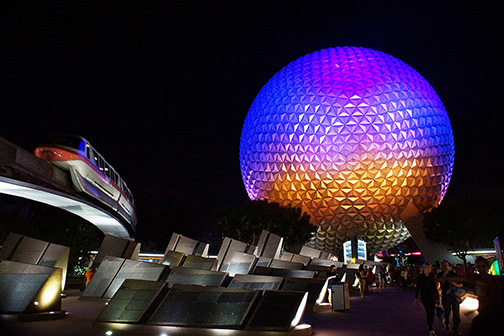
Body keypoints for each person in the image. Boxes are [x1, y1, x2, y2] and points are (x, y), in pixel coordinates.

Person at [467, 256, 502, 336]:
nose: (480, 269)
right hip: (483, 311)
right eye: (478, 266)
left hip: (491, 312)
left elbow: (494, 296)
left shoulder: (492, 281)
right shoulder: (477, 278)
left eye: (483, 266)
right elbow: (462, 279)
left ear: (487, 267)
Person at [415, 263, 439, 336]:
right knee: (429, 311)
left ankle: (430, 325)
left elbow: (435, 288)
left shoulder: (432, 276)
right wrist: (416, 298)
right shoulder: (421, 277)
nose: (429, 269)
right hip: (425, 296)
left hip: (432, 296)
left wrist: (437, 297)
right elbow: (418, 288)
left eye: (430, 268)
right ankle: (430, 328)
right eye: (428, 268)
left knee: (432, 312)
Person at [438, 261, 461, 335]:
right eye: (444, 265)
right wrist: (444, 274)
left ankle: (456, 328)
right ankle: (447, 325)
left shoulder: (452, 274)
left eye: (447, 265)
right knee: (447, 311)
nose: (445, 267)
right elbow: (442, 282)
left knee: (456, 313)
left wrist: (456, 284)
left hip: (454, 295)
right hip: (446, 295)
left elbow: (459, 283)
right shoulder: (440, 274)